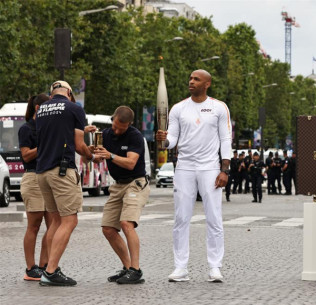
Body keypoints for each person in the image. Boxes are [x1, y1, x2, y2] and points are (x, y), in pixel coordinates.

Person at [155, 69, 232, 282]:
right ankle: (180, 267)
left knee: (214, 217)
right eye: (190, 78)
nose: (191, 81)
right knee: (181, 218)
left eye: (196, 79)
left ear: (207, 84)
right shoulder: (178, 108)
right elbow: (172, 138)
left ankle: (215, 267)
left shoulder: (219, 107)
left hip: (210, 167)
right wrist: (163, 139)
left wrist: (224, 169)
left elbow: (226, 139)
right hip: (185, 167)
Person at [36, 80, 95, 286]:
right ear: (69, 93)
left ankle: (46, 267)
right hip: (62, 171)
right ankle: (51, 272)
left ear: (52, 93)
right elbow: (79, 146)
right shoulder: (74, 108)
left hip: (42, 171)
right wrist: (90, 155)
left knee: (55, 221)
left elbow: (55, 133)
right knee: (70, 220)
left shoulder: (42, 109)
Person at [93, 106, 151, 284]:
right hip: (118, 185)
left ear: (129, 124)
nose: (117, 130)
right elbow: (96, 158)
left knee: (126, 223)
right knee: (108, 229)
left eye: (121, 127)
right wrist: (95, 155)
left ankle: (135, 269)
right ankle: (127, 268)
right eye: (115, 126)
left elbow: (131, 163)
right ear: (113, 119)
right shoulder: (106, 134)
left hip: (136, 183)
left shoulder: (135, 136)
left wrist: (110, 155)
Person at [19, 94, 58, 281]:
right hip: (33, 178)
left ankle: (45, 265)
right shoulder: (27, 129)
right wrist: (44, 145)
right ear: (37, 109)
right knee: (34, 226)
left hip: (48, 177)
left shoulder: (49, 127)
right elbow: (26, 156)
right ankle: (30, 268)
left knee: (52, 225)